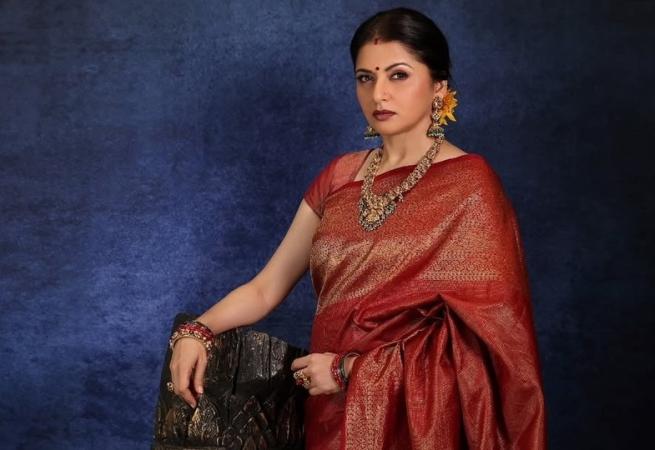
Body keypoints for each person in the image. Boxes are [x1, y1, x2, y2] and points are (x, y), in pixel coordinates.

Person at [167, 7, 546, 449]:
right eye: (365, 78)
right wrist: (197, 331)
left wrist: (349, 370)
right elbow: (265, 289)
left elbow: (491, 344)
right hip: (329, 413)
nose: (378, 93)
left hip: (416, 423)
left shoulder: (470, 186)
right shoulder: (339, 177)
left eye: (398, 75)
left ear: (439, 86)